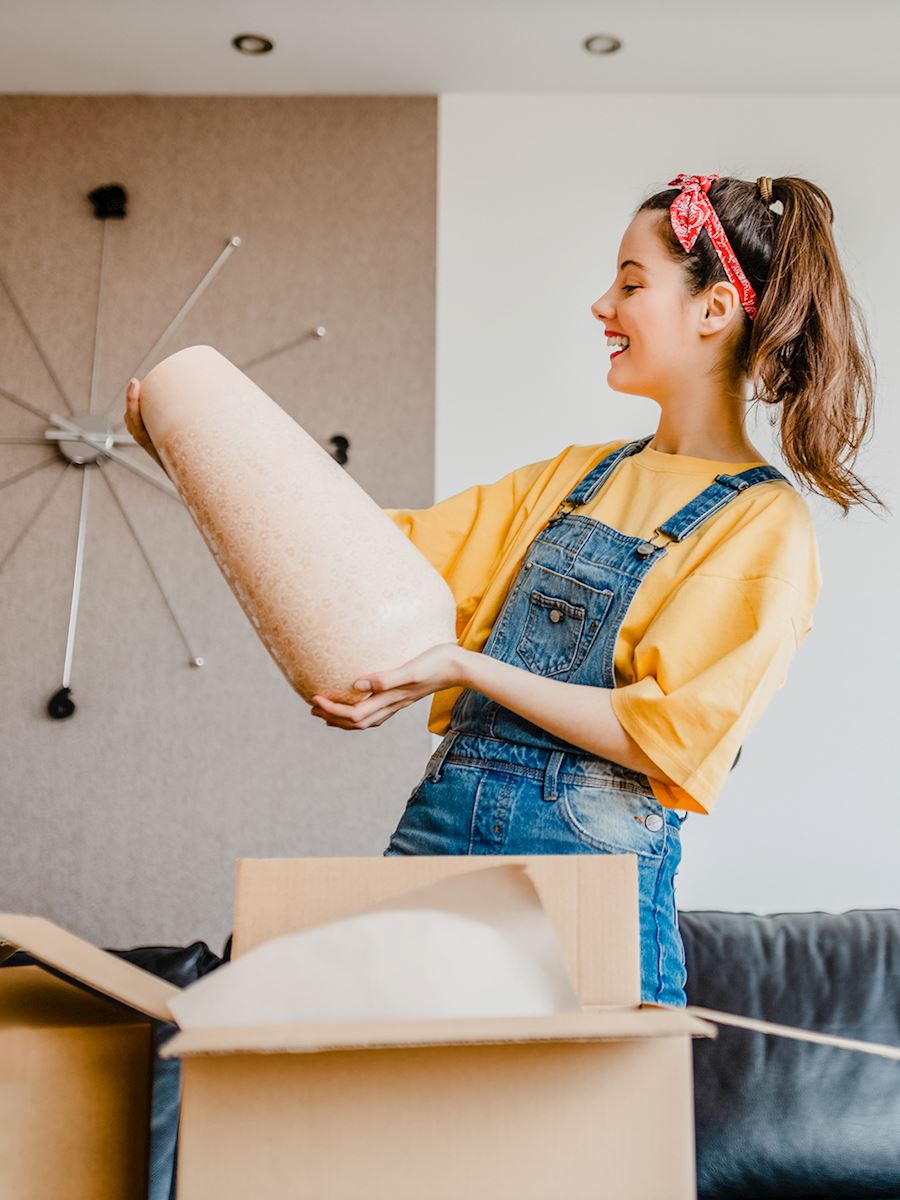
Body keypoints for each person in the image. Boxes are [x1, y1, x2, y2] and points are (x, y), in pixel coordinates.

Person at [125, 173, 886, 1007]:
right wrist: (193, 451)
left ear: (714, 310)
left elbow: (664, 738)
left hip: (590, 869)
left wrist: (467, 668)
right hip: (442, 832)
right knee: (386, 1114)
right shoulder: (575, 478)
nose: (603, 305)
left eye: (631, 284)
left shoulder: (761, 524)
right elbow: (370, 551)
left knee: (573, 1135)